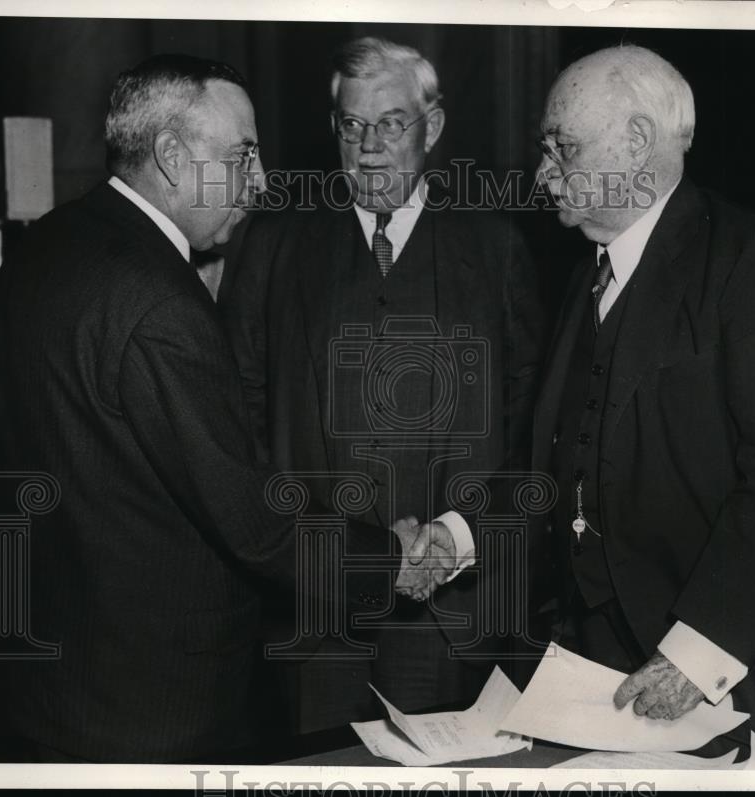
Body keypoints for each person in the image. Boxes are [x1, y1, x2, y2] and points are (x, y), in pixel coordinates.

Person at [0, 53, 433, 763]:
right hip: (152, 707)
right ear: (170, 155)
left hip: (49, 682)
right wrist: (395, 558)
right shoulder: (162, 301)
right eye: (242, 156)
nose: (258, 183)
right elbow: (255, 526)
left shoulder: (43, 246)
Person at [529, 44, 755, 765]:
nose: (541, 173)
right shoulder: (583, 275)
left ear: (637, 142)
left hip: (743, 670)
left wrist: (696, 652)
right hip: (603, 669)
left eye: (563, 147)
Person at [219, 37, 544, 733]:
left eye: (391, 123)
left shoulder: (498, 248)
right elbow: (236, 417)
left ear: (434, 125)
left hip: (457, 615)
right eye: (351, 125)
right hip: (317, 617)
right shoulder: (273, 245)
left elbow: (529, 424)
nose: (369, 146)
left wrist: (458, 534)